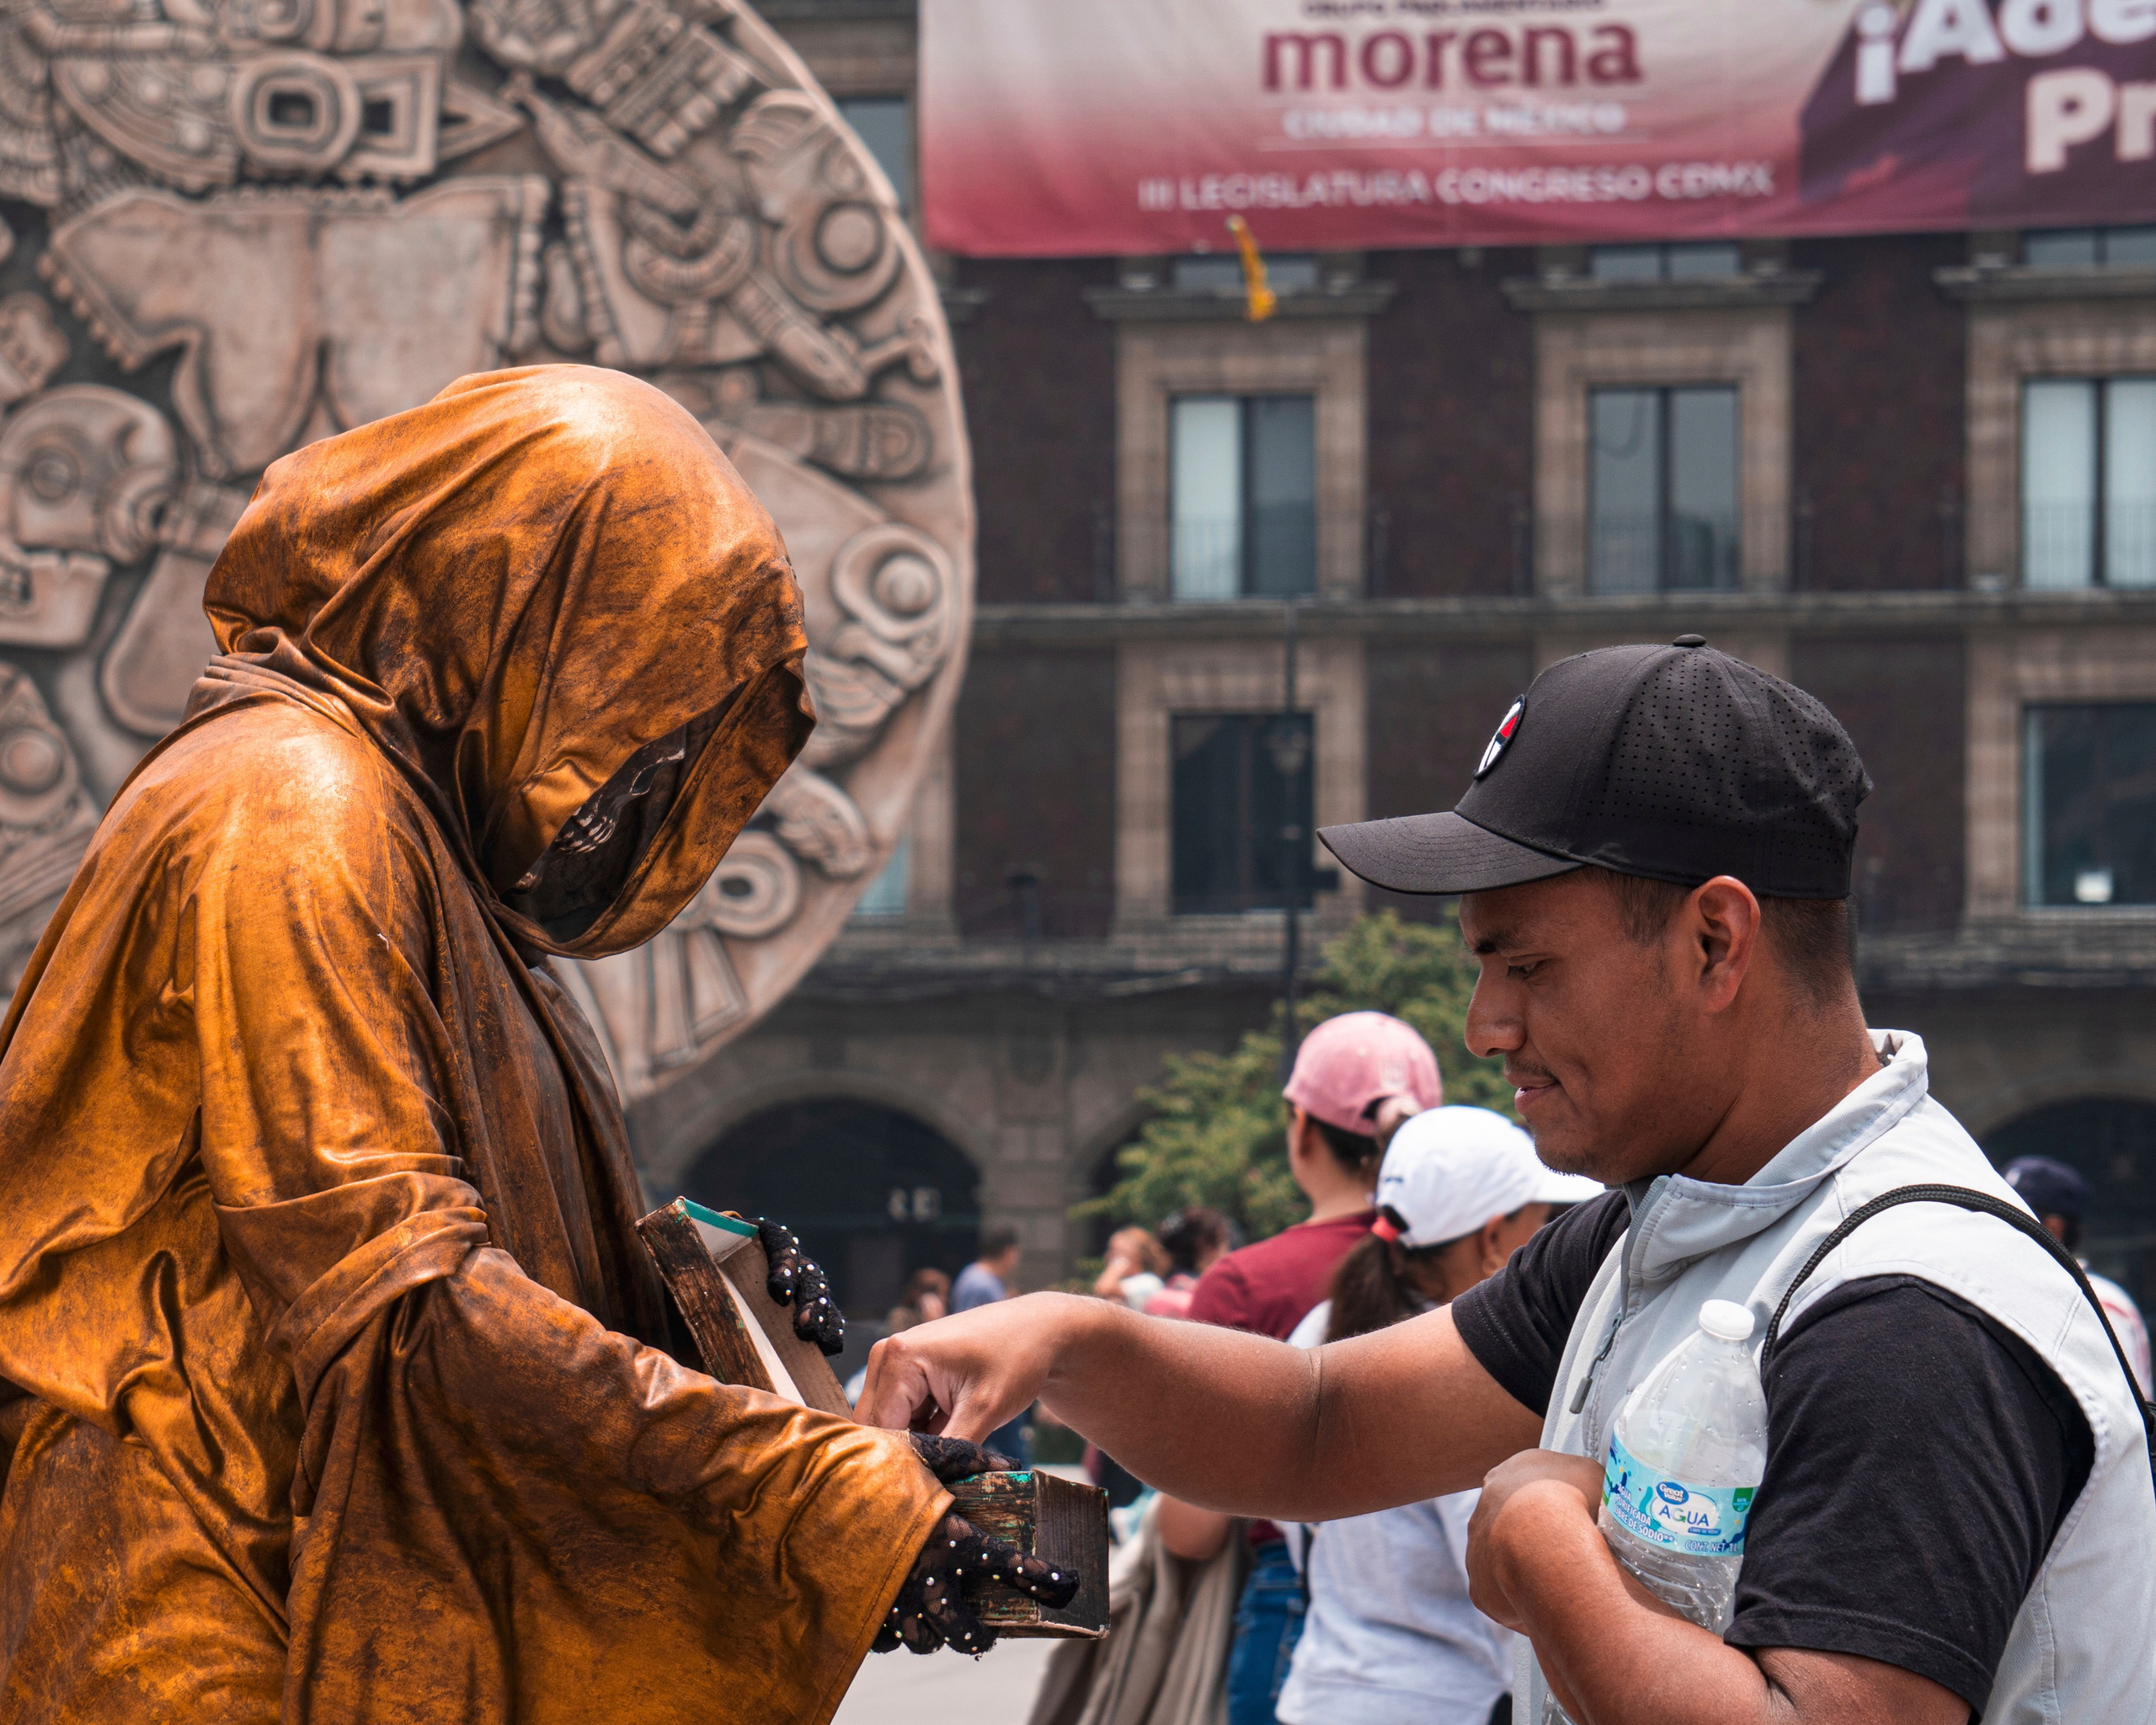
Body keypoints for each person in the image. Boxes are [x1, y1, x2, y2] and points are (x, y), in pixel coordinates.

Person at [0, 367, 1069, 1722]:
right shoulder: (294, 808)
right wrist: (811, 1496)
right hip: (218, 1599)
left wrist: (699, 1311)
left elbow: (484, 1273)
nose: (626, 799)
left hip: (310, 1579)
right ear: (520, 619)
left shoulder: (427, 854)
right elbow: (403, 1301)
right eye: (629, 725)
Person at [863, 638, 2156, 1725]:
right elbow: (1319, 1423)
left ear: (1717, 940)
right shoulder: (1661, 1229)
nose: (1484, 1026)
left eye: (1525, 967)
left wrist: (1543, 1548)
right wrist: (1065, 1340)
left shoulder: (1908, 1312)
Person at [1161, 1010, 1443, 1725]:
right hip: (1467, 1617)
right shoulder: (1479, 1263)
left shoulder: (1247, 1283)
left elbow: (1189, 1527)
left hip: (1299, 1618)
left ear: (1303, 1130)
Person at [1279, 1106, 1600, 1725]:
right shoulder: (1479, 1373)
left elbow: (1290, 1514)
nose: (1554, 1240)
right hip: (1442, 1703)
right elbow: (1503, 1575)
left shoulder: (1320, 1329)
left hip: (1322, 1691)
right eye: (1544, 1220)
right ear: (1492, 1240)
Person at [2004, 1155, 2152, 1394]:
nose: (1998, 1226)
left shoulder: (2100, 1304)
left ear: (2053, 1229)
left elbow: (2126, 1421)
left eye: (2012, 1216)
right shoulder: (2013, 1292)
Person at [953, 1223, 1032, 1464]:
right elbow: (977, 1332)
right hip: (989, 1379)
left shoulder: (977, 1279)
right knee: (1012, 1452)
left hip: (986, 1379)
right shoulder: (982, 1284)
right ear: (1009, 1252)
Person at [1147, 1205, 1235, 1319]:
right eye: (1223, 1241)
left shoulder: (1158, 1296)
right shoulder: (1212, 1301)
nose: (1228, 1252)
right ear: (1205, 1246)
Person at [1094, 1226, 1171, 1311]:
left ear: (1135, 1254)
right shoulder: (1124, 1284)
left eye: (1114, 1251)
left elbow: (1102, 1288)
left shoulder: (1149, 1282)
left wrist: (1118, 1264)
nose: (1107, 1256)